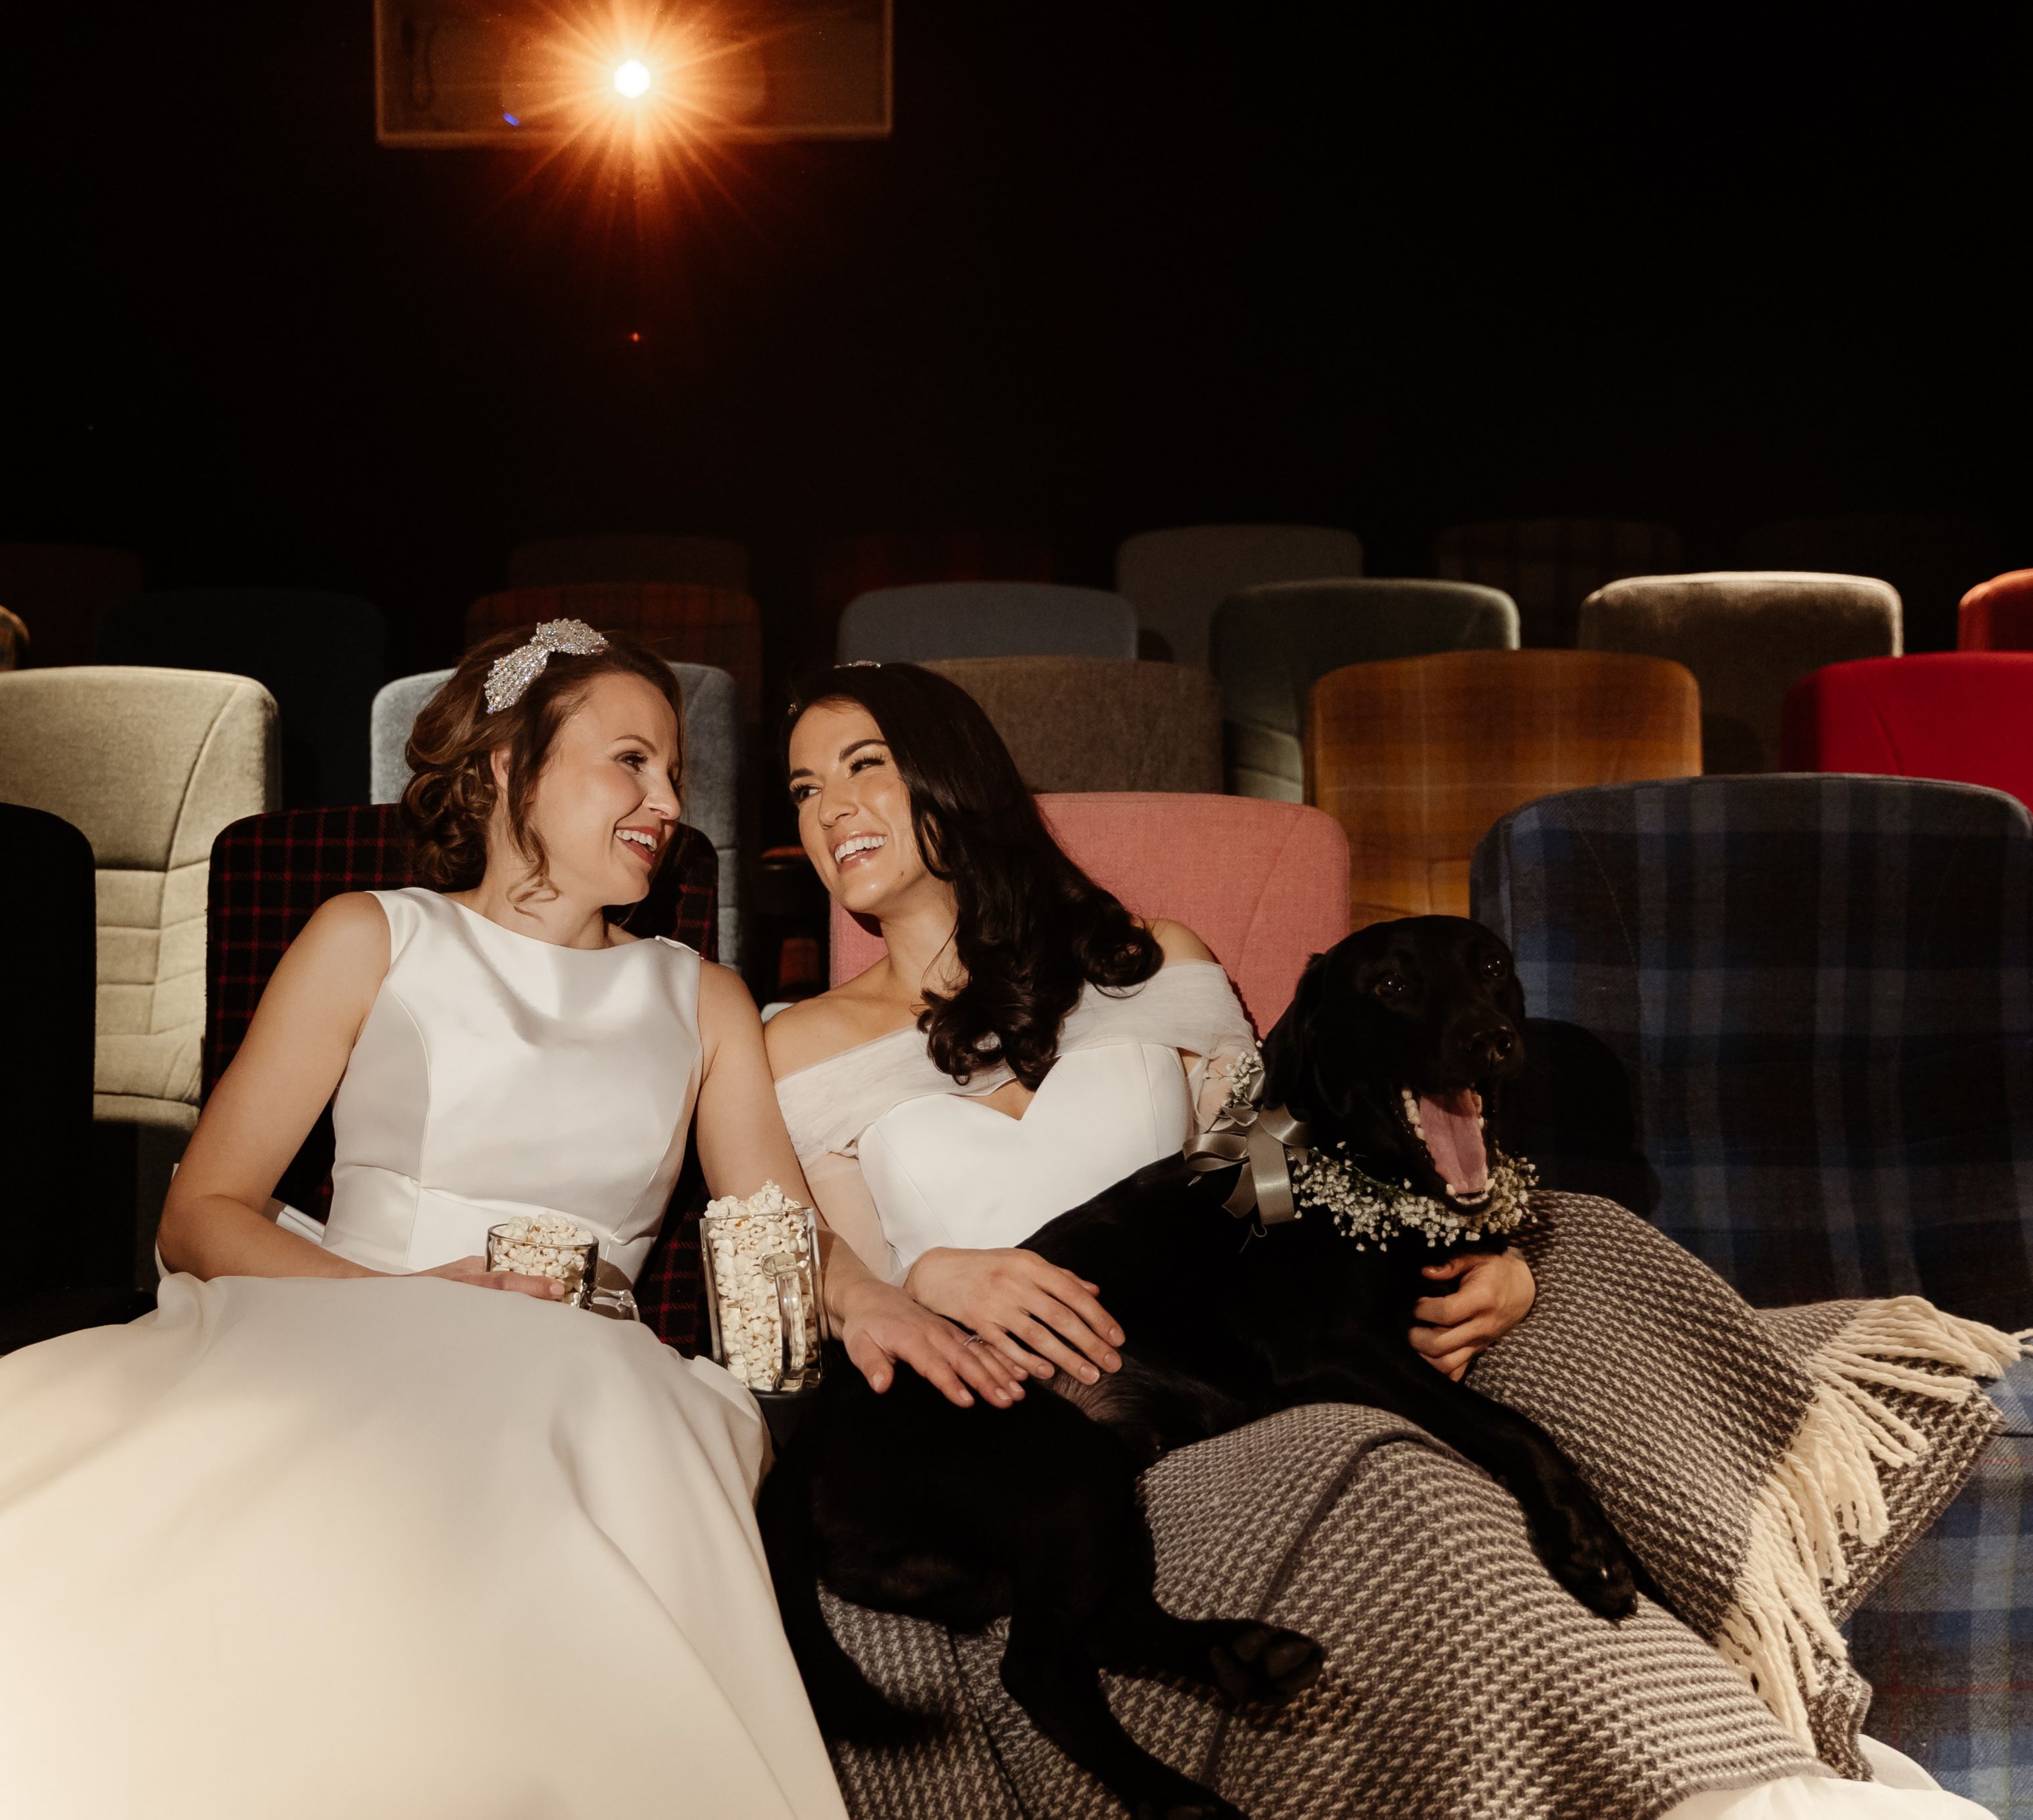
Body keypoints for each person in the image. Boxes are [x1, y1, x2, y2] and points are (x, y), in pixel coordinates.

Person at [0, 624, 1016, 1820]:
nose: (669, 799)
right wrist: (408, 1299)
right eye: (629, 760)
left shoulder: (695, 995)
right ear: (504, 771)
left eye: (674, 766)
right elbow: (201, 1214)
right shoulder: (372, 935)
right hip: (337, 1312)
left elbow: (769, 1231)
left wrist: (873, 1301)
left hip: (585, 1367)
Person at [763, 661, 1996, 1820]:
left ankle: (1735, 1759)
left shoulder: (1153, 965)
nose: (831, 811)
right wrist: (921, 1274)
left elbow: (1277, 1181)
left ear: (952, 778)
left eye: (863, 766)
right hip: (1017, 1412)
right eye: (805, 789)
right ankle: (1705, 1781)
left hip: (1215, 1357)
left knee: (1552, 1294)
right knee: (1403, 1478)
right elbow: (803, 1295)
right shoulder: (798, 1045)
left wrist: (1503, 1258)